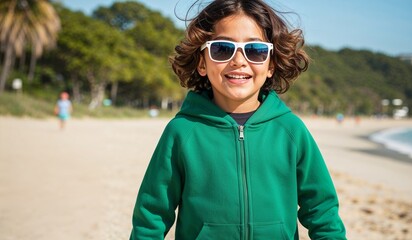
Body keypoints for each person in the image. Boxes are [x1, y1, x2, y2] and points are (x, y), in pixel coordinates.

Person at [130, 0, 346, 239]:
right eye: (222, 49)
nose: (239, 61)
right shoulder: (182, 131)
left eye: (255, 50)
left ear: (271, 64)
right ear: (202, 62)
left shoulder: (290, 130)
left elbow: (322, 211)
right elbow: (151, 216)